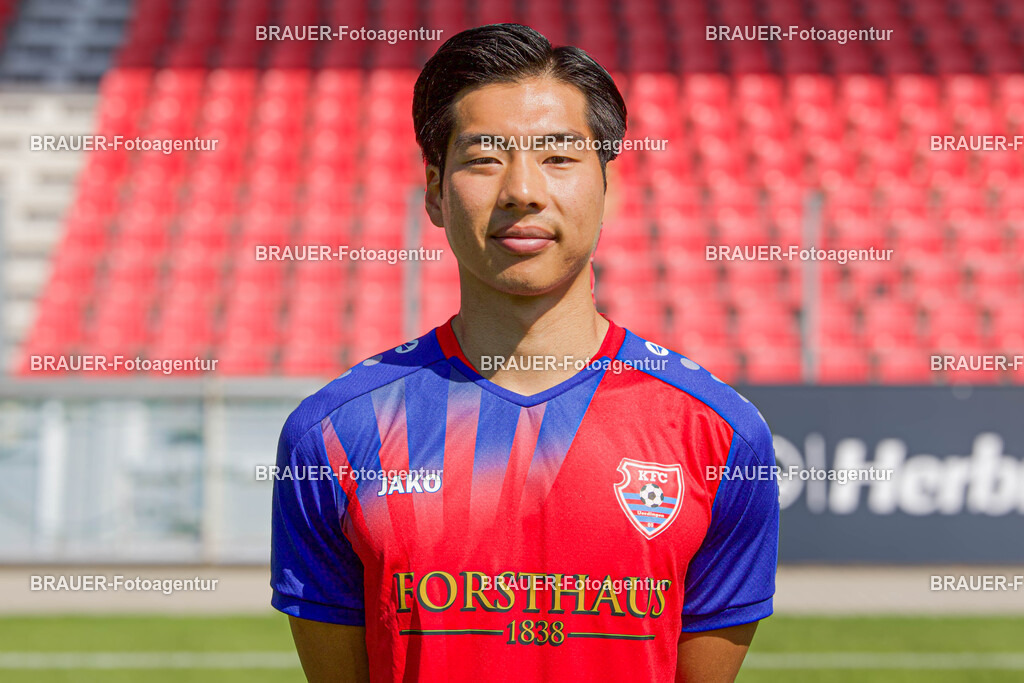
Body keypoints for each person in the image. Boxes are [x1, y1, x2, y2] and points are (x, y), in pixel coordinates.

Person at [272, 23, 779, 683]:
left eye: (559, 157)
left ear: (610, 186)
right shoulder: (332, 436)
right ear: (433, 188)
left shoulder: (720, 435)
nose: (522, 190)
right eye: (485, 157)